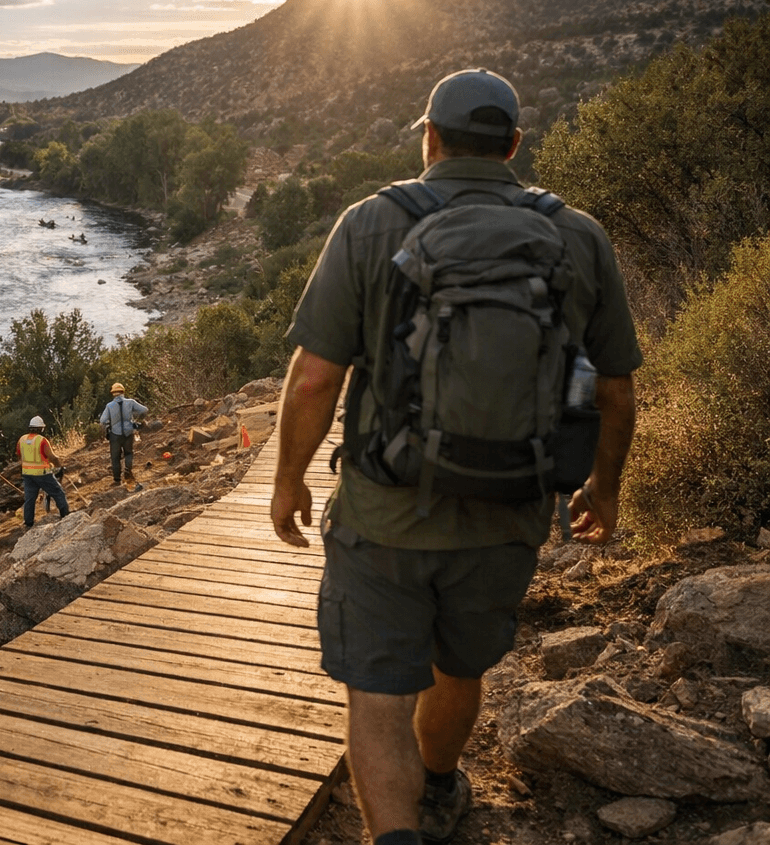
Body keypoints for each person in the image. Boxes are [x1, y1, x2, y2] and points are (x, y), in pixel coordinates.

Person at [269, 69, 641, 845]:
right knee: (460, 668)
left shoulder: (371, 223)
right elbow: (615, 389)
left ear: (430, 138)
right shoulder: (578, 235)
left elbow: (313, 379)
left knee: (377, 695)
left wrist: (288, 480)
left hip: (383, 513)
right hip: (510, 512)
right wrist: (604, 490)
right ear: (513, 144)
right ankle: (439, 786)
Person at [16, 415, 69, 529]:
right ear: (41, 428)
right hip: (42, 474)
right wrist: (59, 467)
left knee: (30, 499)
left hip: (27, 474)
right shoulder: (41, 440)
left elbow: (19, 455)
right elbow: (52, 457)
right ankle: (66, 516)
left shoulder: (22, 439)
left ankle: (28, 523)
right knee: (58, 493)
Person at [98, 381, 148, 489]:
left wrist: (108, 426)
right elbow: (144, 410)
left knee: (115, 457)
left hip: (115, 434)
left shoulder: (109, 406)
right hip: (128, 432)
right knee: (129, 453)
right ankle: (127, 471)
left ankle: (117, 480)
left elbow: (102, 420)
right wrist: (135, 417)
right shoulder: (130, 402)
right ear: (123, 392)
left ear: (113, 393)